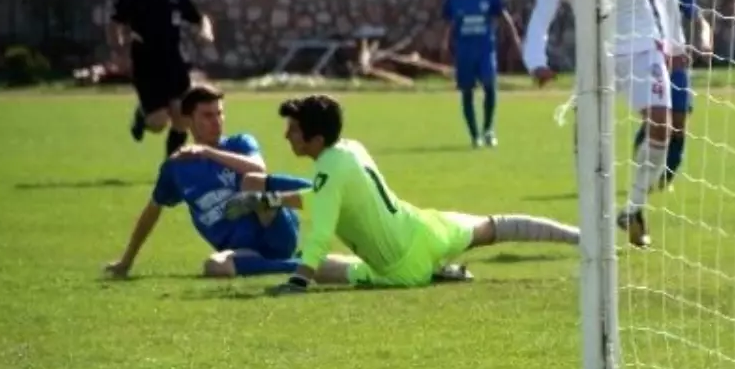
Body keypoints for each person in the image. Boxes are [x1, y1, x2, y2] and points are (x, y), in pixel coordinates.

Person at [222, 95, 581, 295]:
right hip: (424, 229)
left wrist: (298, 281)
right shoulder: (349, 149)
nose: (287, 136)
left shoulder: (327, 170)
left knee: (321, 265)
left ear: (315, 140)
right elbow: (325, 198)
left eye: (294, 130)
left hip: (397, 270)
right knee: (496, 226)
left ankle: (435, 274)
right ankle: (579, 237)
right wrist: (270, 200)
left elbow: (320, 228)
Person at [523, 0, 687, 248]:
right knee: (588, 133)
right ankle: (592, 217)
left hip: (643, 47)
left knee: (661, 125)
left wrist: (676, 45)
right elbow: (544, 6)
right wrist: (535, 60)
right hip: (597, 54)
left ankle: (634, 209)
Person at [103, 84, 310, 279]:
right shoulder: (176, 168)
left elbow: (259, 169)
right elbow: (152, 210)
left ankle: (295, 258)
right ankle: (298, 265)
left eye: (219, 113)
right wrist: (126, 261)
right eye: (208, 115)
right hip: (241, 250)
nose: (217, 121)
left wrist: (208, 153)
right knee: (215, 266)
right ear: (188, 121)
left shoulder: (239, 143)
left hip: (274, 230)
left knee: (253, 181)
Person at [108, 0, 214, 157]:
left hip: (175, 63)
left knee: (182, 118)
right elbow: (115, 23)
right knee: (157, 123)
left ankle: (171, 166)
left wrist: (206, 31)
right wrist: (118, 48)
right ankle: (142, 115)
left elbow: (200, 18)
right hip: (146, 65)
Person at [633, 0, 713, 191]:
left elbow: (699, 19)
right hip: (647, 64)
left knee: (678, 124)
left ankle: (666, 176)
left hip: (675, 66)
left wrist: (704, 40)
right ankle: (644, 171)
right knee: (657, 121)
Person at [441, 0, 522, 148]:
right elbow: (448, 24)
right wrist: (444, 44)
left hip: (485, 49)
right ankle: (474, 135)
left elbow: (503, 16)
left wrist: (515, 38)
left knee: (489, 86)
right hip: (464, 51)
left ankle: (488, 130)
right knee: (467, 91)